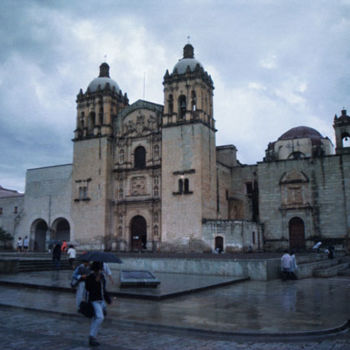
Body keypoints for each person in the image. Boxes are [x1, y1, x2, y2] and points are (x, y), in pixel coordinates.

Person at [85, 261, 111, 347]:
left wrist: (108, 299)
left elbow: (103, 289)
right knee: (100, 317)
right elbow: (88, 288)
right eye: (98, 270)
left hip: (101, 300)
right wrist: (95, 281)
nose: (99, 271)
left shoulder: (102, 277)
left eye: (100, 270)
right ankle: (92, 336)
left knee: (95, 319)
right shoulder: (90, 277)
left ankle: (92, 337)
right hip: (94, 300)